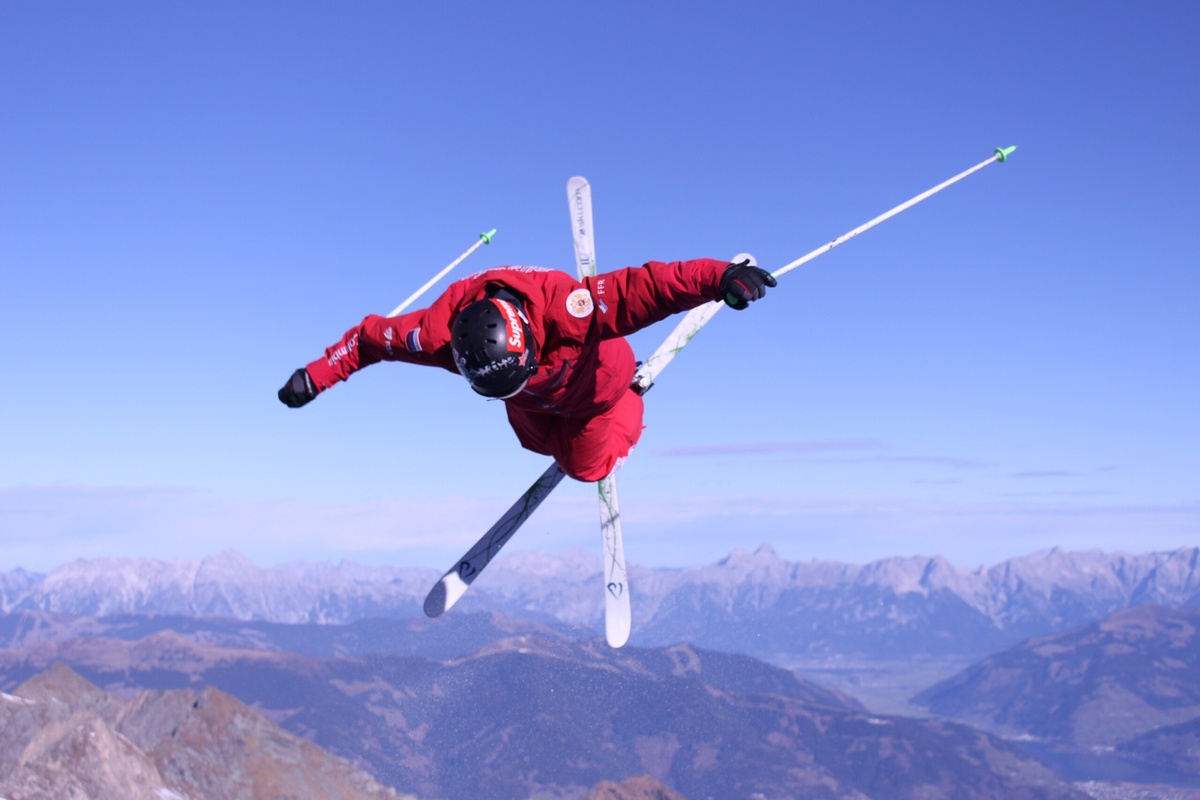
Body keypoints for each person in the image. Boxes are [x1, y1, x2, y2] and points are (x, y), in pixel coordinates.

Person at [278, 258, 775, 482]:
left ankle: (633, 396)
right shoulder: (436, 337)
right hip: (531, 403)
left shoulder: (571, 308)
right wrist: (315, 377)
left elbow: (648, 287)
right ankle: (537, 416)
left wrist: (721, 278)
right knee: (533, 442)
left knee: (586, 468)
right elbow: (369, 340)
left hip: (595, 394)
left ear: (530, 342)